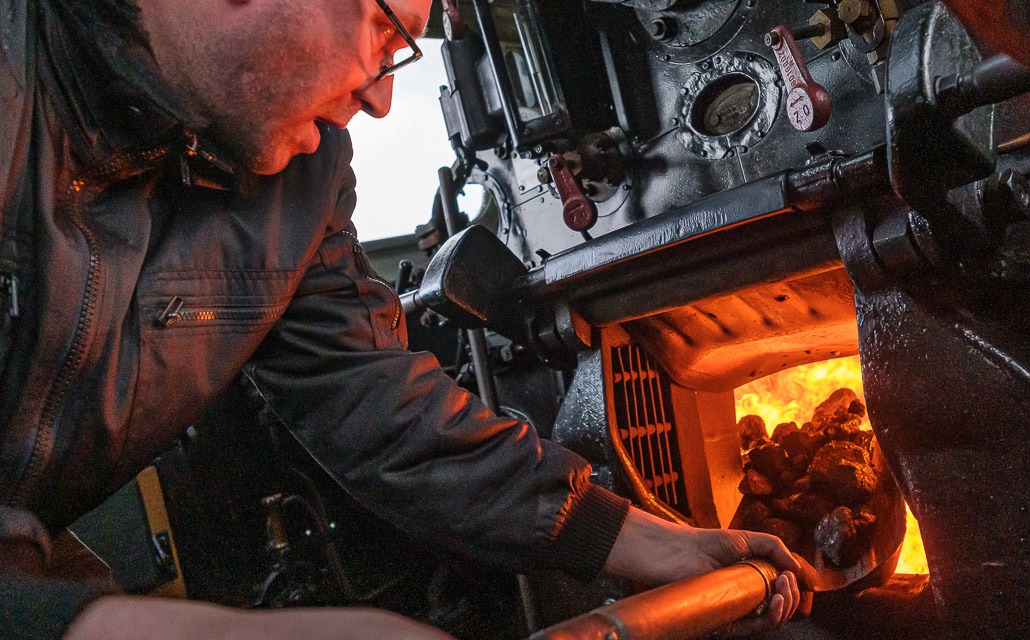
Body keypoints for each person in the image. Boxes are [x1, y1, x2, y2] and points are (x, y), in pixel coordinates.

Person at [0, 0, 801, 638]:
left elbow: (375, 399)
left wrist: (648, 540)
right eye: (385, 32)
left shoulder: (302, 178)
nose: (383, 98)